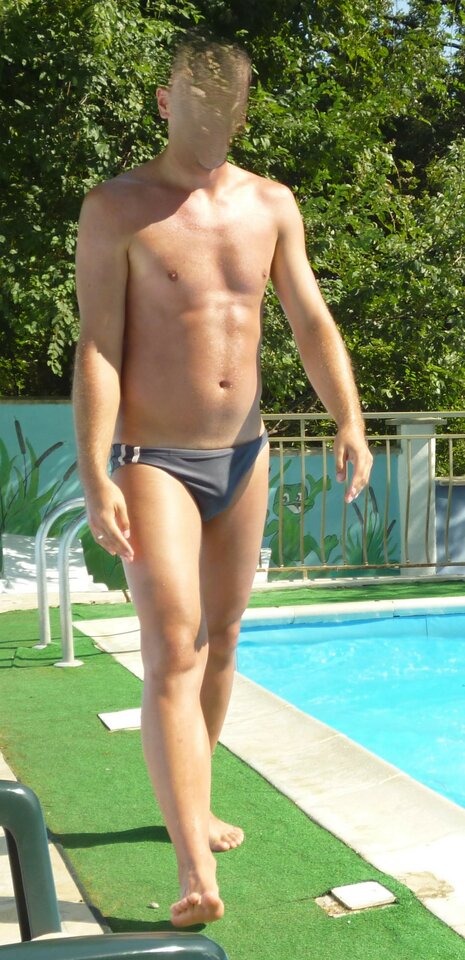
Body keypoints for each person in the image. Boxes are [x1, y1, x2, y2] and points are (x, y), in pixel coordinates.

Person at [73, 35, 373, 928]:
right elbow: (98, 345)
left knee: (224, 636)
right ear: (166, 104)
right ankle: (192, 864)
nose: (211, 124)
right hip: (154, 458)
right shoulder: (117, 207)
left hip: (244, 453)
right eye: (194, 107)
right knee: (174, 645)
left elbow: (309, 319)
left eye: (226, 110)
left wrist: (349, 419)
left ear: (239, 112)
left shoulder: (270, 204)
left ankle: (197, 804)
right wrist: (94, 468)